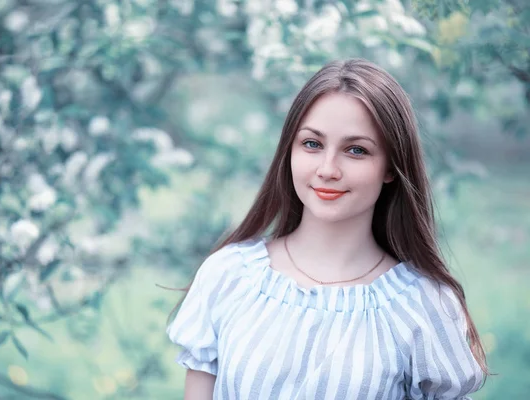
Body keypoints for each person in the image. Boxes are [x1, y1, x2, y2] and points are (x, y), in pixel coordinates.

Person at [166, 58, 488, 399]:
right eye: (312, 144)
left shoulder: (424, 305)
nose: (328, 169)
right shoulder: (228, 276)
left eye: (356, 150)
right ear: (288, 150)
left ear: (391, 167)